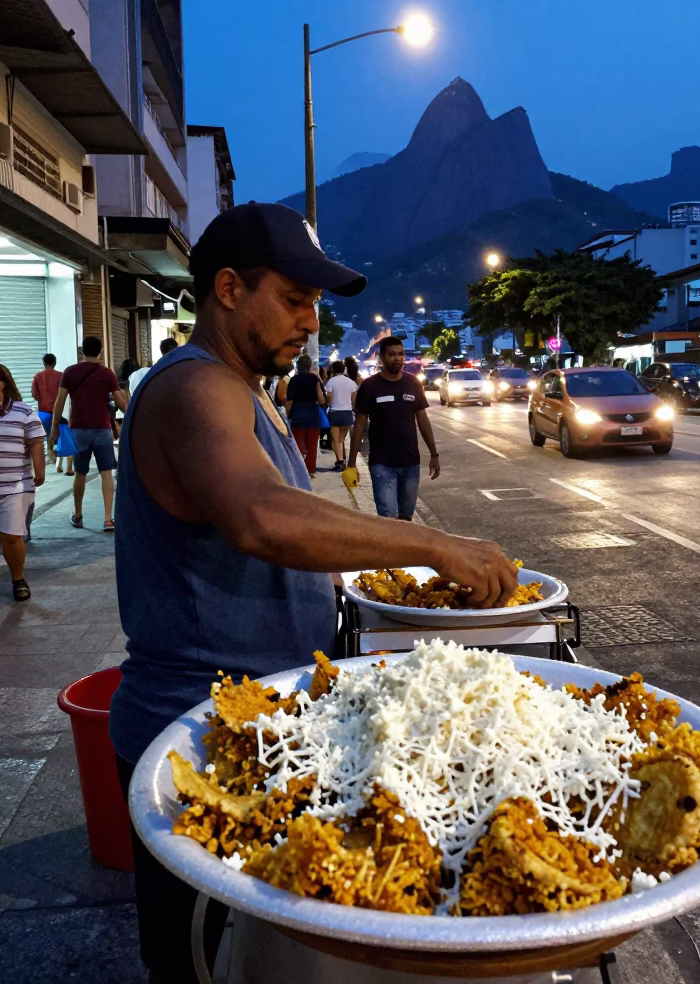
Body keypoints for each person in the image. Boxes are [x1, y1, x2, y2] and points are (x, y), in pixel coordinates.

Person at [106, 201, 515, 984]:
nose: (310, 322)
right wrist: (434, 544)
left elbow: (282, 534)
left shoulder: (248, 387)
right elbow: (261, 517)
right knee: (207, 960)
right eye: (294, 300)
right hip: (200, 738)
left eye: (316, 305)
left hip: (267, 725)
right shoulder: (197, 388)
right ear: (228, 288)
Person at [346, 336, 440, 521]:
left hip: (410, 462)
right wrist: (351, 463)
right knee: (388, 518)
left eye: (401, 354)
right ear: (381, 358)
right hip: (381, 463)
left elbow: (422, 419)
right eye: (392, 354)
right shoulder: (370, 386)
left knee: (406, 518)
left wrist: (434, 454)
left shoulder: (413, 384)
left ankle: (403, 550)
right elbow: (359, 424)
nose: (398, 358)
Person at [50, 336, 128, 532]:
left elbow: (59, 401)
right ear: (100, 351)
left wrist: (54, 428)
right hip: (102, 430)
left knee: (80, 473)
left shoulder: (70, 372)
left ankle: (77, 515)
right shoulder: (106, 374)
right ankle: (108, 519)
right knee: (106, 473)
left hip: (79, 430)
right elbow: (121, 402)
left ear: (82, 351)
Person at [0, 364, 45, 601]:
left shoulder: (23, 411)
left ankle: (18, 578)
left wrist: (40, 469)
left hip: (15, 485)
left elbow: (36, 442)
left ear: (2, 383)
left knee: (11, 536)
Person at [284, 353, 326, 475]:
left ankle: (299, 470)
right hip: (313, 413)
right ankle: (310, 470)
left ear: (297, 366)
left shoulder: (294, 380)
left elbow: (290, 401)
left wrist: (287, 415)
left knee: (298, 444)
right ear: (309, 366)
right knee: (312, 445)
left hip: (297, 413)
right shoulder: (314, 379)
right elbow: (321, 400)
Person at [31, 353, 72, 474]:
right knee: (63, 436)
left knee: (48, 435)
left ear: (43, 363)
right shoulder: (61, 376)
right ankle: (61, 463)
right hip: (57, 413)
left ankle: (50, 453)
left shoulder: (38, 376)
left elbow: (34, 395)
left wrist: (42, 398)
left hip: (43, 413)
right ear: (55, 363)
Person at [325, 359, 356, 472]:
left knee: (336, 440)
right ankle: (342, 460)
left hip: (335, 412)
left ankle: (340, 462)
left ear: (333, 369)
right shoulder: (351, 382)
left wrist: (328, 402)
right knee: (341, 439)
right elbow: (353, 397)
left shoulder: (331, 381)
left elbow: (329, 397)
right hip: (347, 413)